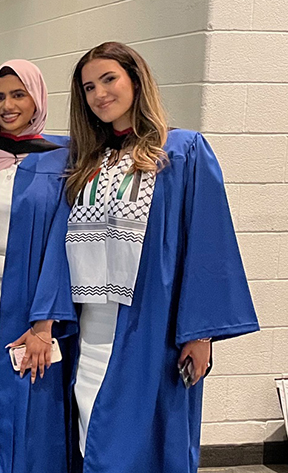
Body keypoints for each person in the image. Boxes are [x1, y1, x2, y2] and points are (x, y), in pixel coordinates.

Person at [62, 41, 259, 472]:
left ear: (136, 79)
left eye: (109, 79)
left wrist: (199, 334)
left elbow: (208, 245)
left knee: (140, 446)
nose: (99, 94)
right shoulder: (87, 161)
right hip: (90, 329)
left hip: (151, 328)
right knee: (89, 435)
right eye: (89, 87)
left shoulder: (182, 151)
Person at [0, 60, 74, 473]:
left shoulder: (62, 159)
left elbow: (64, 245)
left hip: (29, 299)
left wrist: (45, 322)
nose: (8, 105)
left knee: (28, 395)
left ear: (37, 98)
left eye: (19, 94)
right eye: (0, 97)